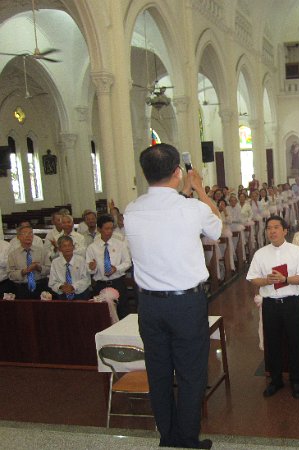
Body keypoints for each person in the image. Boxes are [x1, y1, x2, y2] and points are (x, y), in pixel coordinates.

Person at [125, 143, 221, 449]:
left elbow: (167, 221)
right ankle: (187, 439)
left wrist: (186, 193)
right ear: (178, 172)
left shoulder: (131, 210)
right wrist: (200, 189)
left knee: (159, 373)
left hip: (149, 305)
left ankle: (167, 437)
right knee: (191, 373)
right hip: (186, 304)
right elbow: (216, 228)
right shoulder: (193, 208)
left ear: (145, 174)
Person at [247, 216, 299, 399]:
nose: (272, 231)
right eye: (269, 228)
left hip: (291, 303)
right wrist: (266, 281)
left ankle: (297, 381)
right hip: (270, 304)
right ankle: (275, 381)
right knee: (272, 343)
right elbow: (252, 278)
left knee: (294, 343)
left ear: (285, 231)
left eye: (276, 227)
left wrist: (286, 279)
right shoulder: (260, 254)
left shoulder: (297, 251)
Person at [86, 214, 132, 318]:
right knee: (103, 315)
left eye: (111, 228)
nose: (109, 231)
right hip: (100, 284)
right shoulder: (92, 248)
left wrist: (116, 268)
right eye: (106, 229)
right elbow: (89, 269)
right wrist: (92, 268)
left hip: (118, 283)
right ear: (99, 229)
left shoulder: (120, 244)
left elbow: (127, 262)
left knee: (123, 313)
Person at [8, 224, 51, 299]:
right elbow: (10, 275)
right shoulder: (13, 255)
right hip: (21, 288)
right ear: (18, 237)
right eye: (24, 233)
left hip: (41, 286)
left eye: (30, 233)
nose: (28, 236)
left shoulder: (42, 251)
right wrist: (24, 271)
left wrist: (39, 267)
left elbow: (50, 269)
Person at [49, 235, 91, 300]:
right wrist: (61, 287)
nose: (67, 248)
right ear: (59, 249)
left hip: (80, 294)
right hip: (62, 295)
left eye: (69, 245)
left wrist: (73, 287)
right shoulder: (55, 263)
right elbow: (52, 282)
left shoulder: (81, 260)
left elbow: (86, 279)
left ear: (73, 247)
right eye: (64, 246)